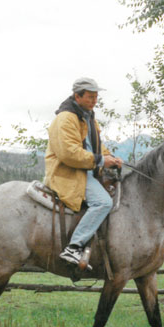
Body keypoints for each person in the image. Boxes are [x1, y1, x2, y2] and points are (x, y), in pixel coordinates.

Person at [43, 77, 122, 269]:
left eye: (96, 97)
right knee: (103, 202)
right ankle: (74, 246)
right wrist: (102, 160)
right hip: (68, 173)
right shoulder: (66, 118)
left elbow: (96, 146)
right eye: (90, 96)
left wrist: (110, 156)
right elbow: (68, 153)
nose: (94, 100)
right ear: (77, 96)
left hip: (84, 170)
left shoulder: (87, 117)